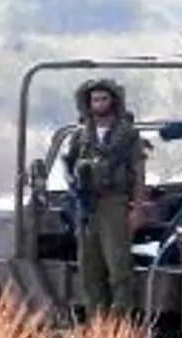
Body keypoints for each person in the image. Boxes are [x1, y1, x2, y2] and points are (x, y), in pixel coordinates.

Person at [62, 78, 151, 323]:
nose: (99, 104)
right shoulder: (80, 136)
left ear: (113, 101)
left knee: (118, 269)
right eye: (94, 99)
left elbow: (139, 171)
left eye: (103, 98)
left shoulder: (127, 135)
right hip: (87, 207)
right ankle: (98, 327)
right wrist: (75, 187)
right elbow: (68, 167)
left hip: (115, 203)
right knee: (90, 270)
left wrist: (137, 207)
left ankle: (120, 325)